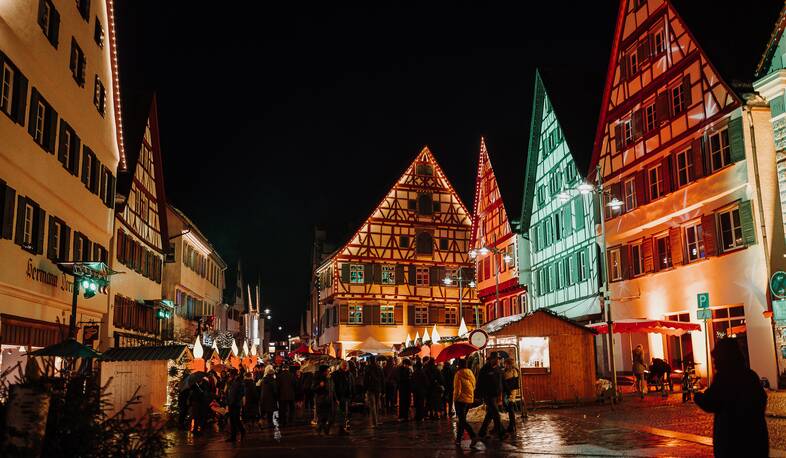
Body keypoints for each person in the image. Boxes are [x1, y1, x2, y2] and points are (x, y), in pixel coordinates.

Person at [695, 338, 768, 458]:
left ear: (721, 357)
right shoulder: (750, 375)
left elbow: (710, 402)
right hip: (755, 436)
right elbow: (761, 400)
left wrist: (697, 396)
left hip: (731, 438)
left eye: (715, 358)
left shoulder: (724, 377)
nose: (714, 362)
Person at [477, 355, 507, 441]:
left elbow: (501, 381)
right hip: (488, 395)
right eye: (496, 359)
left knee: (490, 415)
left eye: (498, 359)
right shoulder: (484, 370)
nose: (498, 360)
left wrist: (505, 391)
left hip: (496, 395)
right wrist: (478, 395)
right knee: (496, 414)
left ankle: (482, 433)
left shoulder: (498, 369)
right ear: (491, 359)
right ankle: (501, 433)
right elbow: (479, 383)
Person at [453, 358, 481, 449]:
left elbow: (458, 389)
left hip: (460, 400)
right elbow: (474, 385)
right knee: (462, 419)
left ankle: (473, 436)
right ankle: (458, 439)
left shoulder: (458, 374)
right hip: (469, 399)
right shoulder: (470, 372)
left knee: (462, 420)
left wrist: (455, 399)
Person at [331, 361, 354, 434]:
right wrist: (336, 398)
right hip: (340, 396)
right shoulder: (336, 374)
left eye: (346, 365)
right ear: (341, 366)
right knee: (341, 412)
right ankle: (341, 428)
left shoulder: (350, 374)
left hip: (348, 395)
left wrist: (352, 395)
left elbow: (352, 384)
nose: (345, 367)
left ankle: (345, 426)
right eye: (344, 365)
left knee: (347, 412)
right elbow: (333, 387)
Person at [225, 369, 246, 442]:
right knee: (232, 420)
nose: (230, 376)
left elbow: (239, 393)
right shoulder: (231, 382)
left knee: (236, 419)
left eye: (230, 374)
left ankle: (242, 431)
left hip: (235, 403)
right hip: (231, 403)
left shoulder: (239, 382)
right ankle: (233, 436)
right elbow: (229, 392)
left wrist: (234, 401)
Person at [364, 356, 384, 427]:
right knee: (377, 405)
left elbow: (366, 379)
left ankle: (374, 423)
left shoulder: (368, 368)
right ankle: (377, 421)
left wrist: (365, 389)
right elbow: (382, 379)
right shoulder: (379, 368)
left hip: (371, 388)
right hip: (378, 388)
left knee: (372, 406)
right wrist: (383, 389)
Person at [502, 358, 520, 433]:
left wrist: (506, 387)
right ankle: (511, 426)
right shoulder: (507, 371)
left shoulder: (513, 371)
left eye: (505, 364)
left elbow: (512, 383)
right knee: (510, 409)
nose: (504, 365)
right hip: (508, 392)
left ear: (509, 364)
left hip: (511, 393)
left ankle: (512, 426)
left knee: (510, 409)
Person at [258, 365, 279, 429]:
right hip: (271, 398)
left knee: (264, 412)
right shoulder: (272, 380)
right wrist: (277, 397)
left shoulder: (264, 380)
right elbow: (275, 390)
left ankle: (261, 422)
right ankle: (270, 424)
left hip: (264, 398)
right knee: (270, 412)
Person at [314, 365, 333, 435]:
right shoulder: (318, 378)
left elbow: (331, 389)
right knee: (321, 415)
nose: (329, 371)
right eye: (327, 370)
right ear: (324, 371)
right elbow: (313, 388)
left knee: (327, 416)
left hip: (328, 399)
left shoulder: (329, 378)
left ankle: (324, 429)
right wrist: (319, 386)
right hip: (321, 399)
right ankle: (319, 429)